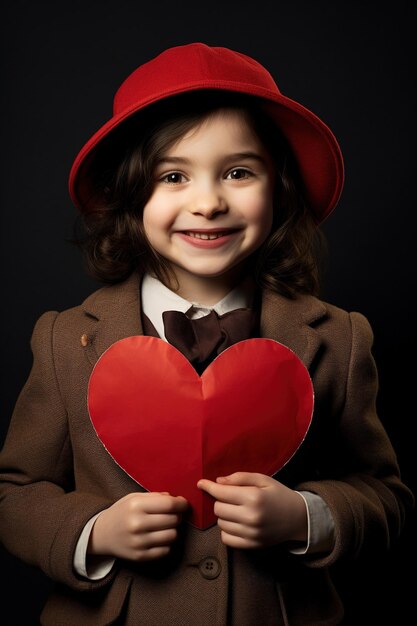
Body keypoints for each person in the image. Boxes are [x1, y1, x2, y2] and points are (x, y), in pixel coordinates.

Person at [0, 43, 413, 626]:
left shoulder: (339, 339)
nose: (209, 201)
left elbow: (385, 493)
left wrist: (306, 515)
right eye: (173, 175)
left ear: (280, 189)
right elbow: (14, 492)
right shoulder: (65, 340)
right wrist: (92, 532)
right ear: (131, 195)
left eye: (239, 172)